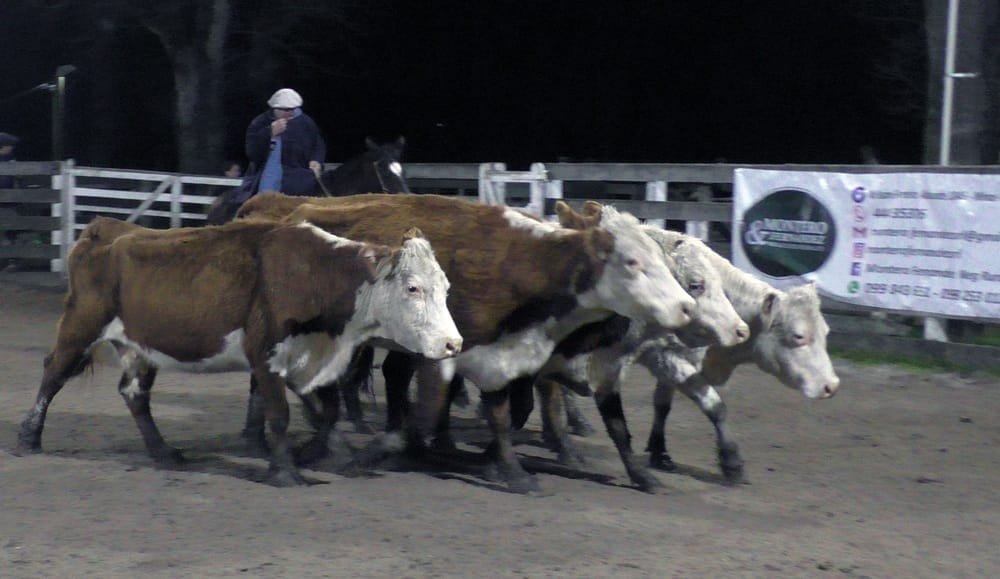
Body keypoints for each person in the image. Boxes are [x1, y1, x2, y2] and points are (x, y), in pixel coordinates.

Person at [239, 88, 326, 200]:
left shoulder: (305, 122)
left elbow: (318, 144)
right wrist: (269, 133)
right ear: (275, 108)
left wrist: (316, 160)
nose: (290, 113)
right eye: (285, 110)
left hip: (300, 177)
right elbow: (252, 153)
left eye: (293, 109)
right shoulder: (260, 122)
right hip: (267, 175)